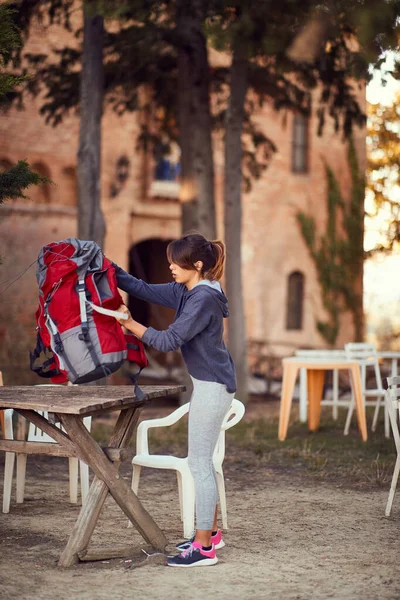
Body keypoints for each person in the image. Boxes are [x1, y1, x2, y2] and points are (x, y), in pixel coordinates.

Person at [112, 232, 237, 568]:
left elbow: (168, 341)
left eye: (176, 262)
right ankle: (210, 534)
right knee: (205, 462)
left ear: (196, 265)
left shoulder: (202, 300)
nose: (169, 266)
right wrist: (107, 269)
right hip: (210, 384)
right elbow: (143, 288)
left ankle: (203, 548)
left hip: (213, 387)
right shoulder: (188, 289)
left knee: (199, 464)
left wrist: (129, 324)